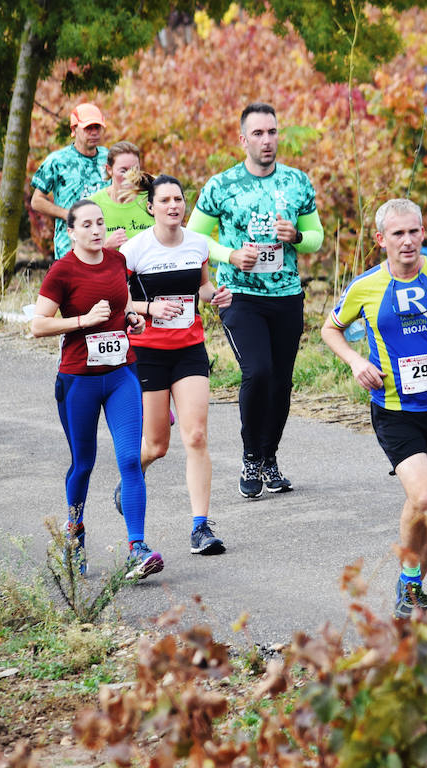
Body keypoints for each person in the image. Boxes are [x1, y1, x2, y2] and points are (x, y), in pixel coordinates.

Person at [321, 198, 427, 620]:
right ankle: (409, 583)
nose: (408, 241)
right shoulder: (365, 286)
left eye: (414, 231)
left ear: (424, 233)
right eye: (397, 234)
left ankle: (412, 588)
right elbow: (331, 328)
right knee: (422, 496)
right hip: (395, 409)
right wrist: (356, 361)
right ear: (381, 239)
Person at [187, 102, 324, 498]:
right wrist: (229, 255)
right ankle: (250, 456)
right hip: (240, 297)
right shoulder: (222, 185)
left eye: (273, 132)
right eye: (259, 134)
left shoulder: (297, 182)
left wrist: (295, 237)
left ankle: (269, 457)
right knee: (258, 372)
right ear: (243, 139)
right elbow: (195, 238)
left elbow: (315, 236)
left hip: (286, 296)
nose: (267, 141)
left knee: (281, 383)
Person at [31, 200, 158, 579]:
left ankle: (137, 547)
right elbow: (38, 325)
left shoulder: (117, 262)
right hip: (78, 380)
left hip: (121, 374)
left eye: (100, 222)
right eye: (86, 225)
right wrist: (83, 321)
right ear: (71, 232)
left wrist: (131, 319)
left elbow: (121, 310)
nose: (96, 230)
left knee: (130, 460)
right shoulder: (62, 271)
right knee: (83, 463)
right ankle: (74, 535)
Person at [121, 175, 232, 555]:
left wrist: (214, 294)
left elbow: (200, 286)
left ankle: (200, 527)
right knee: (155, 445)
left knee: (197, 436)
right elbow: (118, 301)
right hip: (148, 350)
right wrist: (150, 307)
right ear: (151, 207)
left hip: (189, 348)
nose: (174, 206)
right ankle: (131, 478)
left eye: (179, 199)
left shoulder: (197, 244)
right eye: (165, 200)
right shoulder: (134, 251)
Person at [30, 103, 109, 259]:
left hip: (103, 239)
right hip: (69, 243)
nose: (94, 133)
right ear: (74, 130)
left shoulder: (109, 157)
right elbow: (36, 201)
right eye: (88, 128)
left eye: (97, 128)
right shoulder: (57, 160)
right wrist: (68, 214)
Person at [88, 141, 154, 250]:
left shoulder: (152, 200)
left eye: (134, 170)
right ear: (109, 169)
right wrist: (105, 247)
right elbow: (78, 257)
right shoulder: (92, 205)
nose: (129, 176)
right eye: (123, 170)